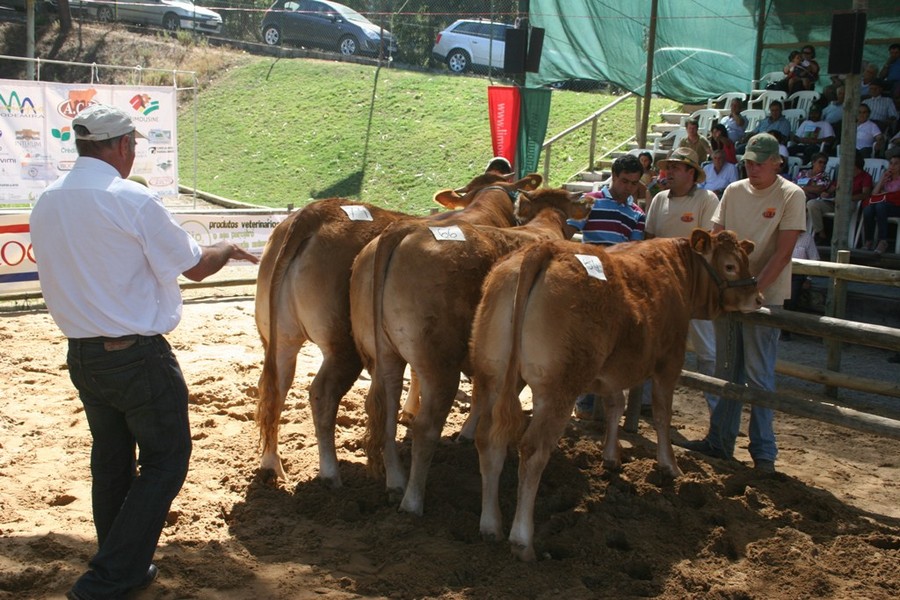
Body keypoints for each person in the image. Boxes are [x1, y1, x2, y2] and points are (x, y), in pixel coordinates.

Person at [29, 104, 259, 600]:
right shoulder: (130, 199)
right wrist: (226, 249)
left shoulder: (47, 199)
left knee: (111, 460)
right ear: (122, 145)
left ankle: (121, 562)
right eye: (132, 145)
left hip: (83, 355)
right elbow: (196, 267)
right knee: (166, 459)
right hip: (135, 355)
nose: (133, 153)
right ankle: (110, 575)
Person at [677, 133, 806, 474]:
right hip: (730, 293)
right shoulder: (734, 191)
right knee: (726, 368)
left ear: (776, 163)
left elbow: (783, 253)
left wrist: (753, 290)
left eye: (760, 163)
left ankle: (763, 451)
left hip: (763, 295)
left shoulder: (791, 194)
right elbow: (717, 239)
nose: (753, 167)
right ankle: (720, 440)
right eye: (749, 161)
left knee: (758, 373)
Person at [567, 154, 645, 417]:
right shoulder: (589, 201)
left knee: (605, 345)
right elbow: (566, 234)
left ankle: (595, 403)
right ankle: (581, 400)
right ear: (613, 176)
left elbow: (633, 251)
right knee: (582, 342)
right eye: (624, 181)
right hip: (586, 279)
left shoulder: (637, 214)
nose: (628, 188)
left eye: (633, 183)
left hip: (615, 284)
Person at [644, 147, 720, 417]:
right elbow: (648, 240)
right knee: (653, 344)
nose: (669, 172)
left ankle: (716, 411)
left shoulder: (707, 199)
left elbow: (708, 244)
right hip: (662, 286)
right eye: (669, 167)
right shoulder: (659, 199)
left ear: (691, 173)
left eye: (676, 167)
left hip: (695, 287)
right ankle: (646, 404)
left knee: (707, 351)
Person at [819, 152, 873, 247]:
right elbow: (832, 189)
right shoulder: (843, 175)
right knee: (812, 204)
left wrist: (846, 199)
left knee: (843, 208)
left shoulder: (866, 177)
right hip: (835, 202)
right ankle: (821, 235)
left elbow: (865, 194)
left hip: (851, 203)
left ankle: (839, 239)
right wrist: (826, 193)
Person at [781, 230, 819, 340]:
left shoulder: (807, 238)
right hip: (782, 272)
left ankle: (785, 332)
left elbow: (814, 259)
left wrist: (808, 279)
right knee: (780, 301)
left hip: (798, 275)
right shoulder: (783, 235)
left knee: (791, 302)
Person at [862, 152, 900, 254]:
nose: (892, 166)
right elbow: (874, 194)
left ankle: (883, 241)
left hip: (896, 206)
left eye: (896, 164)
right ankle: (869, 240)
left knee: (880, 206)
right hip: (883, 205)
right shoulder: (887, 178)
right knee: (868, 209)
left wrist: (885, 194)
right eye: (891, 163)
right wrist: (882, 179)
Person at [796, 153, 833, 244]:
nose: (822, 165)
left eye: (824, 163)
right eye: (820, 162)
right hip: (801, 197)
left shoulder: (824, 176)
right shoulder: (803, 173)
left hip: (815, 200)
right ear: (813, 162)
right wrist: (809, 188)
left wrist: (803, 188)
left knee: (802, 200)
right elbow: (794, 185)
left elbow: (819, 189)